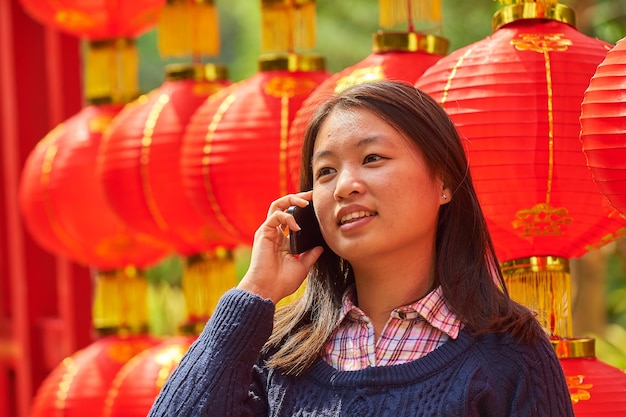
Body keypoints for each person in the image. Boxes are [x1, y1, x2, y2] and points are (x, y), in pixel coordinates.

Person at [147, 80, 574, 416]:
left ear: (443, 182)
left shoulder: (509, 352)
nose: (346, 185)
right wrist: (256, 292)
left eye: (372, 158)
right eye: (326, 171)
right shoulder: (280, 355)